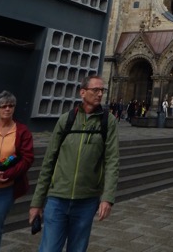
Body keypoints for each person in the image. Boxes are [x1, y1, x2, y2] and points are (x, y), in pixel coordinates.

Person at [29, 75, 119, 252]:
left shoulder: (108, 122)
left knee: (77, 249)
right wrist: (37, 202)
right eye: (96, 90)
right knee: (48, 248)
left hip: (86, 200)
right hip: (57, 198)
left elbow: (112, 161)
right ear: (83, 92)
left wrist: (107, 197)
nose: (100, 94)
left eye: (103, 90)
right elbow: (49, 161)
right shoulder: (66, 120)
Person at [0, 90, 34, 252]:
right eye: (3, 106)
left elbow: (27, 158)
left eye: (11, 106)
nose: (7, 109)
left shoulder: (22, 131)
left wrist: (5, 175)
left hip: (6, 188)